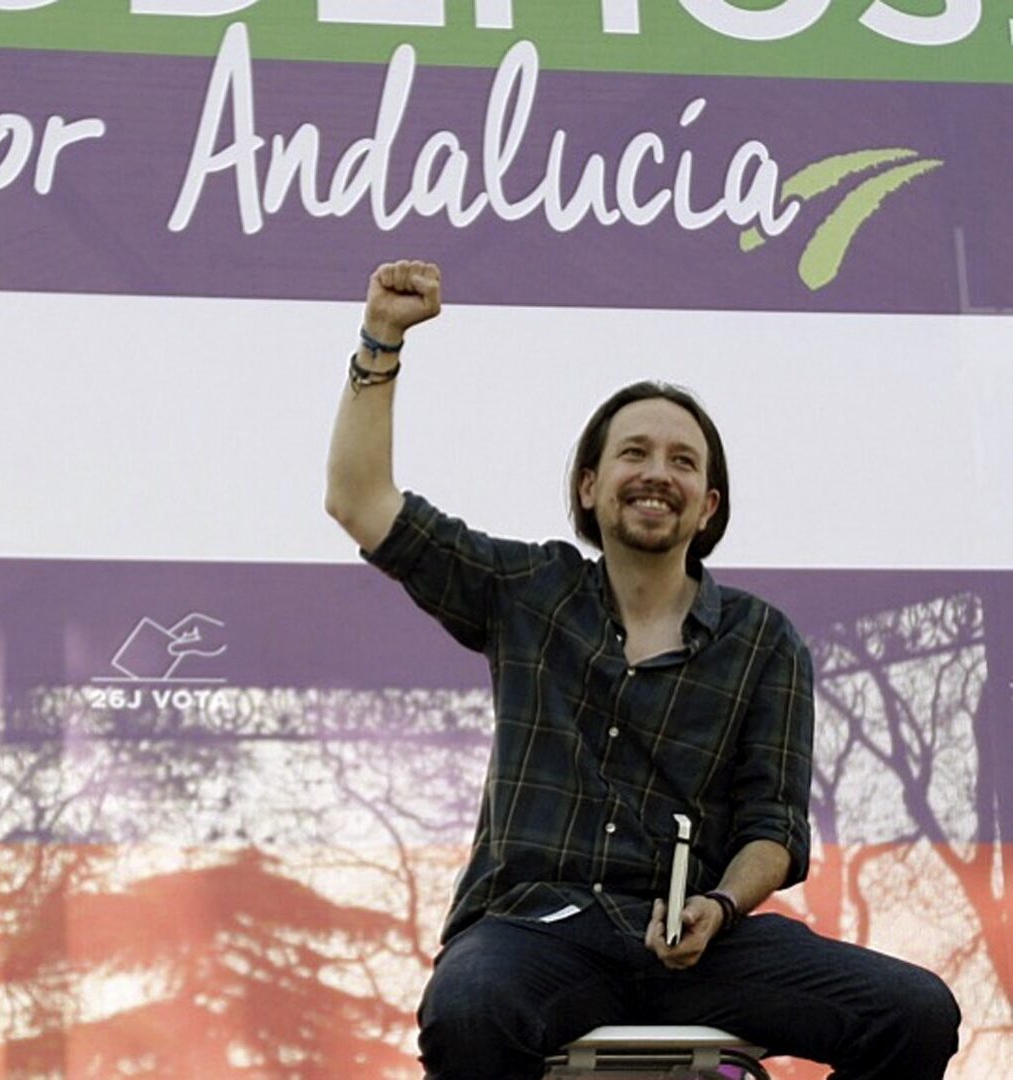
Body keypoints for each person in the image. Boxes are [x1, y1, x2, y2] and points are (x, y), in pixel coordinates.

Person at [324, 261, 960, 1079]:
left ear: (708, 505)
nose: (658, 472)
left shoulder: (763, 640)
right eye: (634, 453)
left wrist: (719, 906)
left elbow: (774, 829)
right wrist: (382, 337)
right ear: (590, 487)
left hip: (702, 946)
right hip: (536, 933)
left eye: (683, 461)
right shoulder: (529, 591)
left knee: (914, 1012)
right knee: (470, 1007)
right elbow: (360, 500)